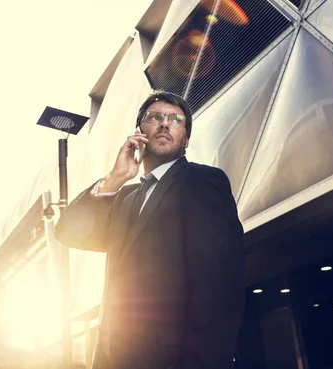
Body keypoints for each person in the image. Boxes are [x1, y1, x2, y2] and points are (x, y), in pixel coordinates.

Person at [55, 91, 245, 369]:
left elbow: (220, 285)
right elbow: (69, 232)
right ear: (139, 132)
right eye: (155, 117)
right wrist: (115, 178)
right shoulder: (124, 197)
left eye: (175, 119)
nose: (165, 124)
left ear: (186, 139)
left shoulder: (203, 181)